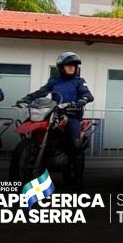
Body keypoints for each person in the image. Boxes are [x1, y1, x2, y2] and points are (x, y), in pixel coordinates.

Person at [17, 52, 94, 189]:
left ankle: (78, 181)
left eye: (73, 66)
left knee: (75, 144)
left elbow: (87, 94)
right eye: (68, 65)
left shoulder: (79, 81)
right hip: (54, 114)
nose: (71, 68)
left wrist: (82, 100)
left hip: (72, 115)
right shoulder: (54, 81)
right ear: (61, 67)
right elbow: (41, 92)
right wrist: (27, 99)